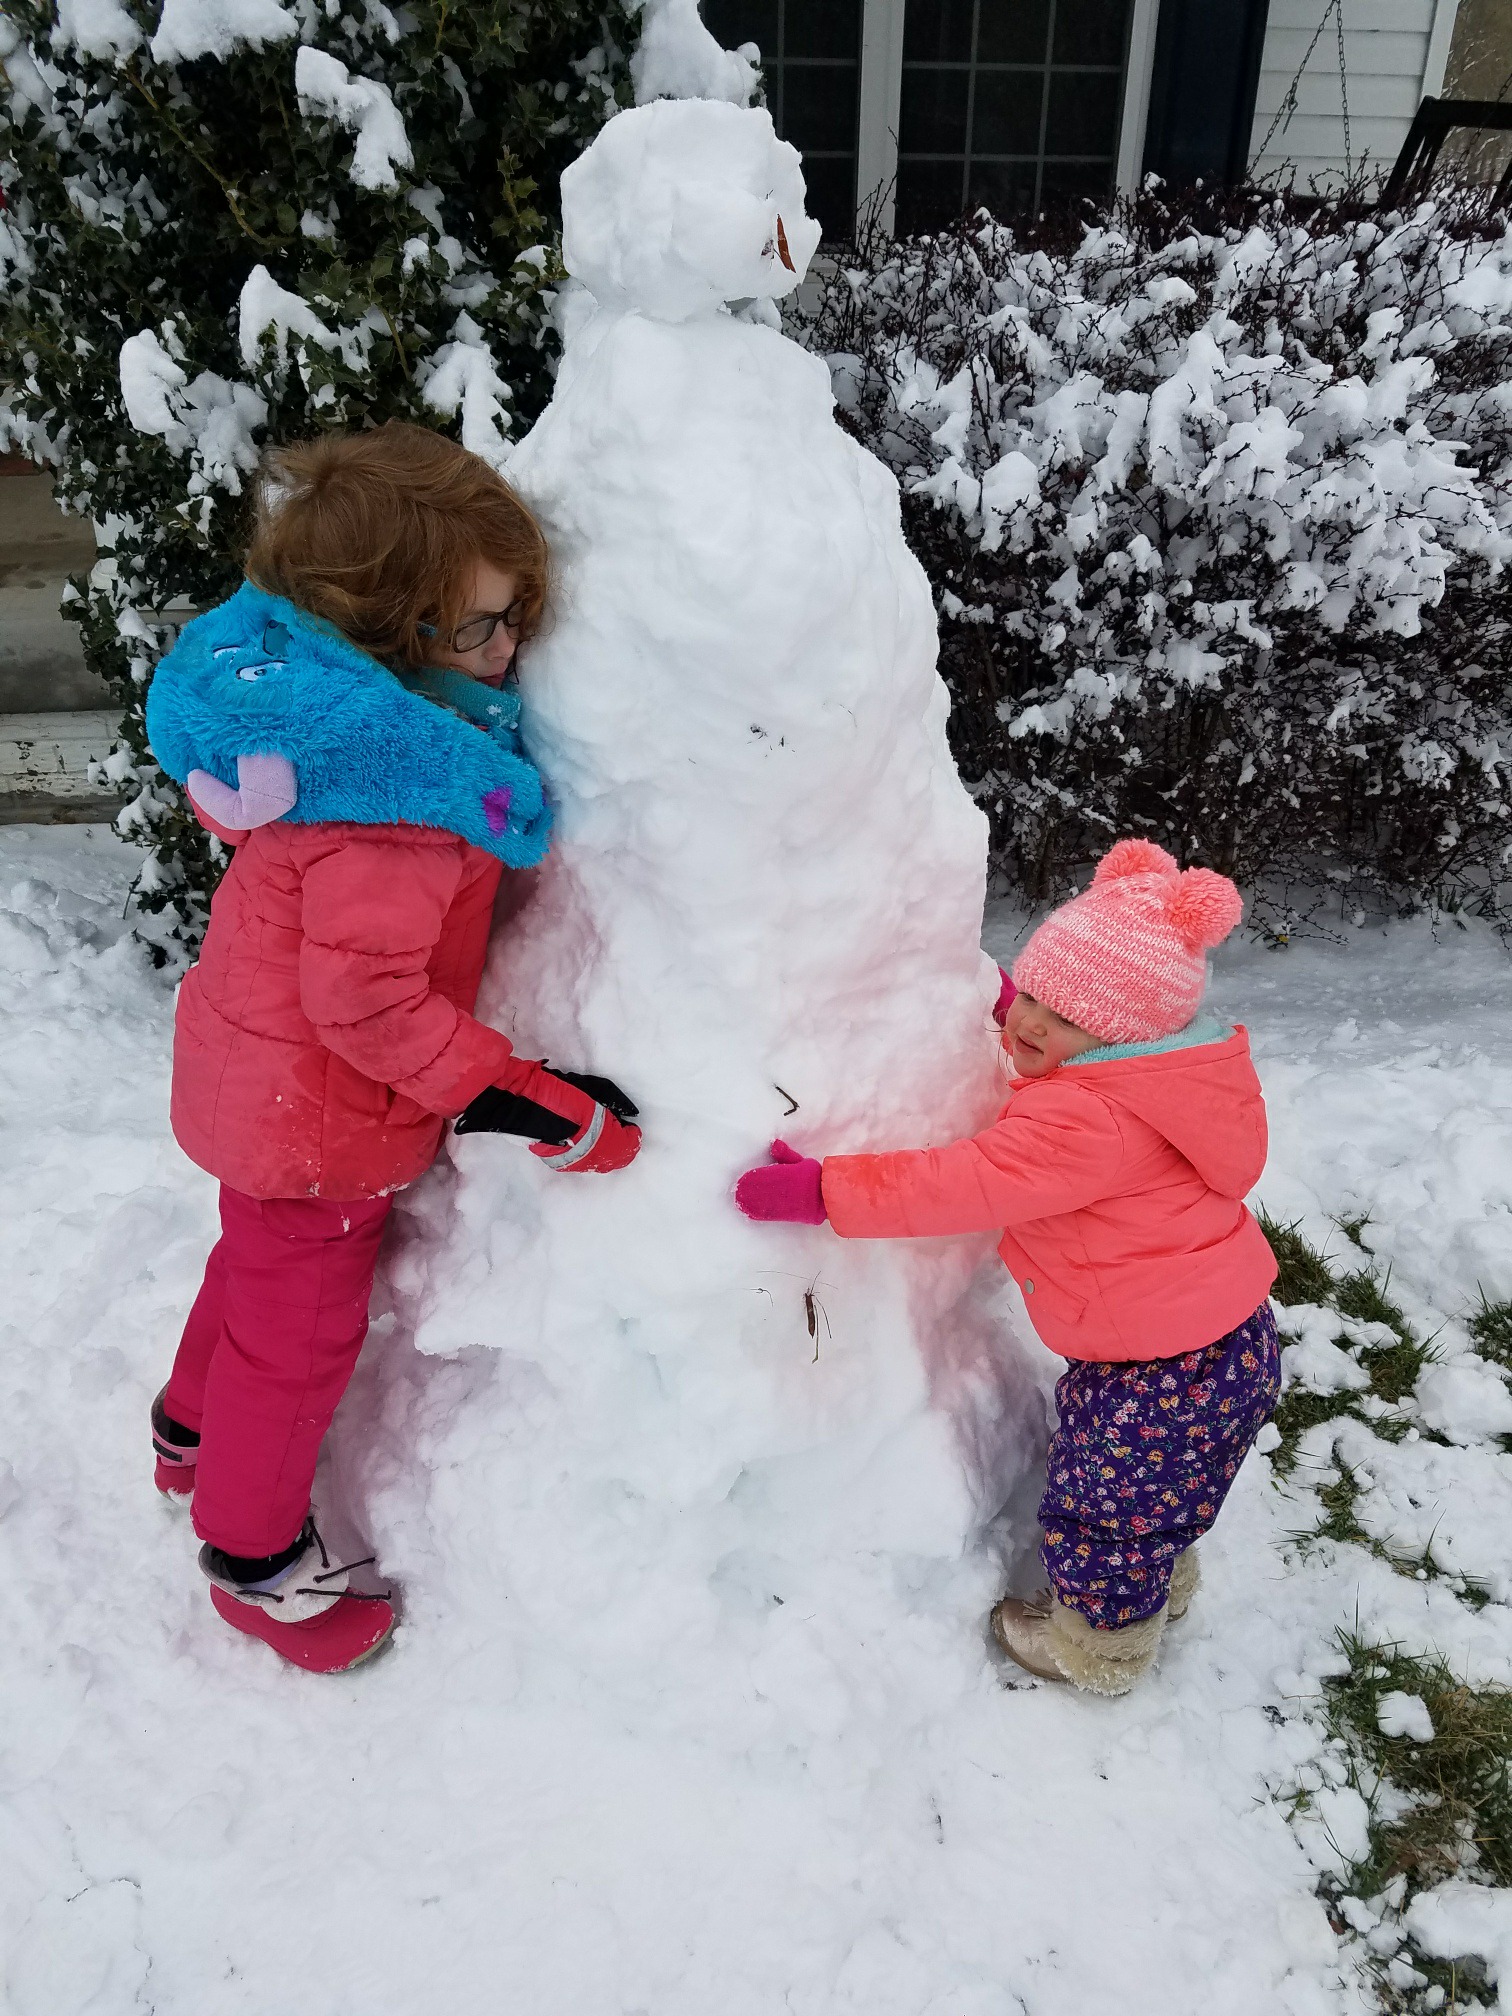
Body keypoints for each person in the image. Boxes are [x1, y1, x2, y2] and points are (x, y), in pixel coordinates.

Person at [144, 423, 641, 1676]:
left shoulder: (315, 726)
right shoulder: (395, 808)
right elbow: (365, 1006)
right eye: (479, 628)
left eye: (516, 615)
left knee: (248, 1275)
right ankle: (255, 1564)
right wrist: (528, 1098)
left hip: (255, 1088)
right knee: (295, 1343)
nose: (509, 647)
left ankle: (188, 1434)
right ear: (386, 635)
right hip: (315, 1123)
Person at [735, 838, 1279, 1696]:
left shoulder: (1087, 1123)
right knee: (1154, 1493)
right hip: (1222, 1343)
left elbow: (961, 1183)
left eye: (1060, 1020)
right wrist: (1024, 1014)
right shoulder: (1156, 1079)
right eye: (1030, 995)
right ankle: (1155, 1588)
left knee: (1103, 1509)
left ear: (1117, 1038)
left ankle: (1097, 1650)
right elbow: (1058, 1037)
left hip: (1161, 1370)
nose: (1028, 1022)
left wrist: (826, 1191)